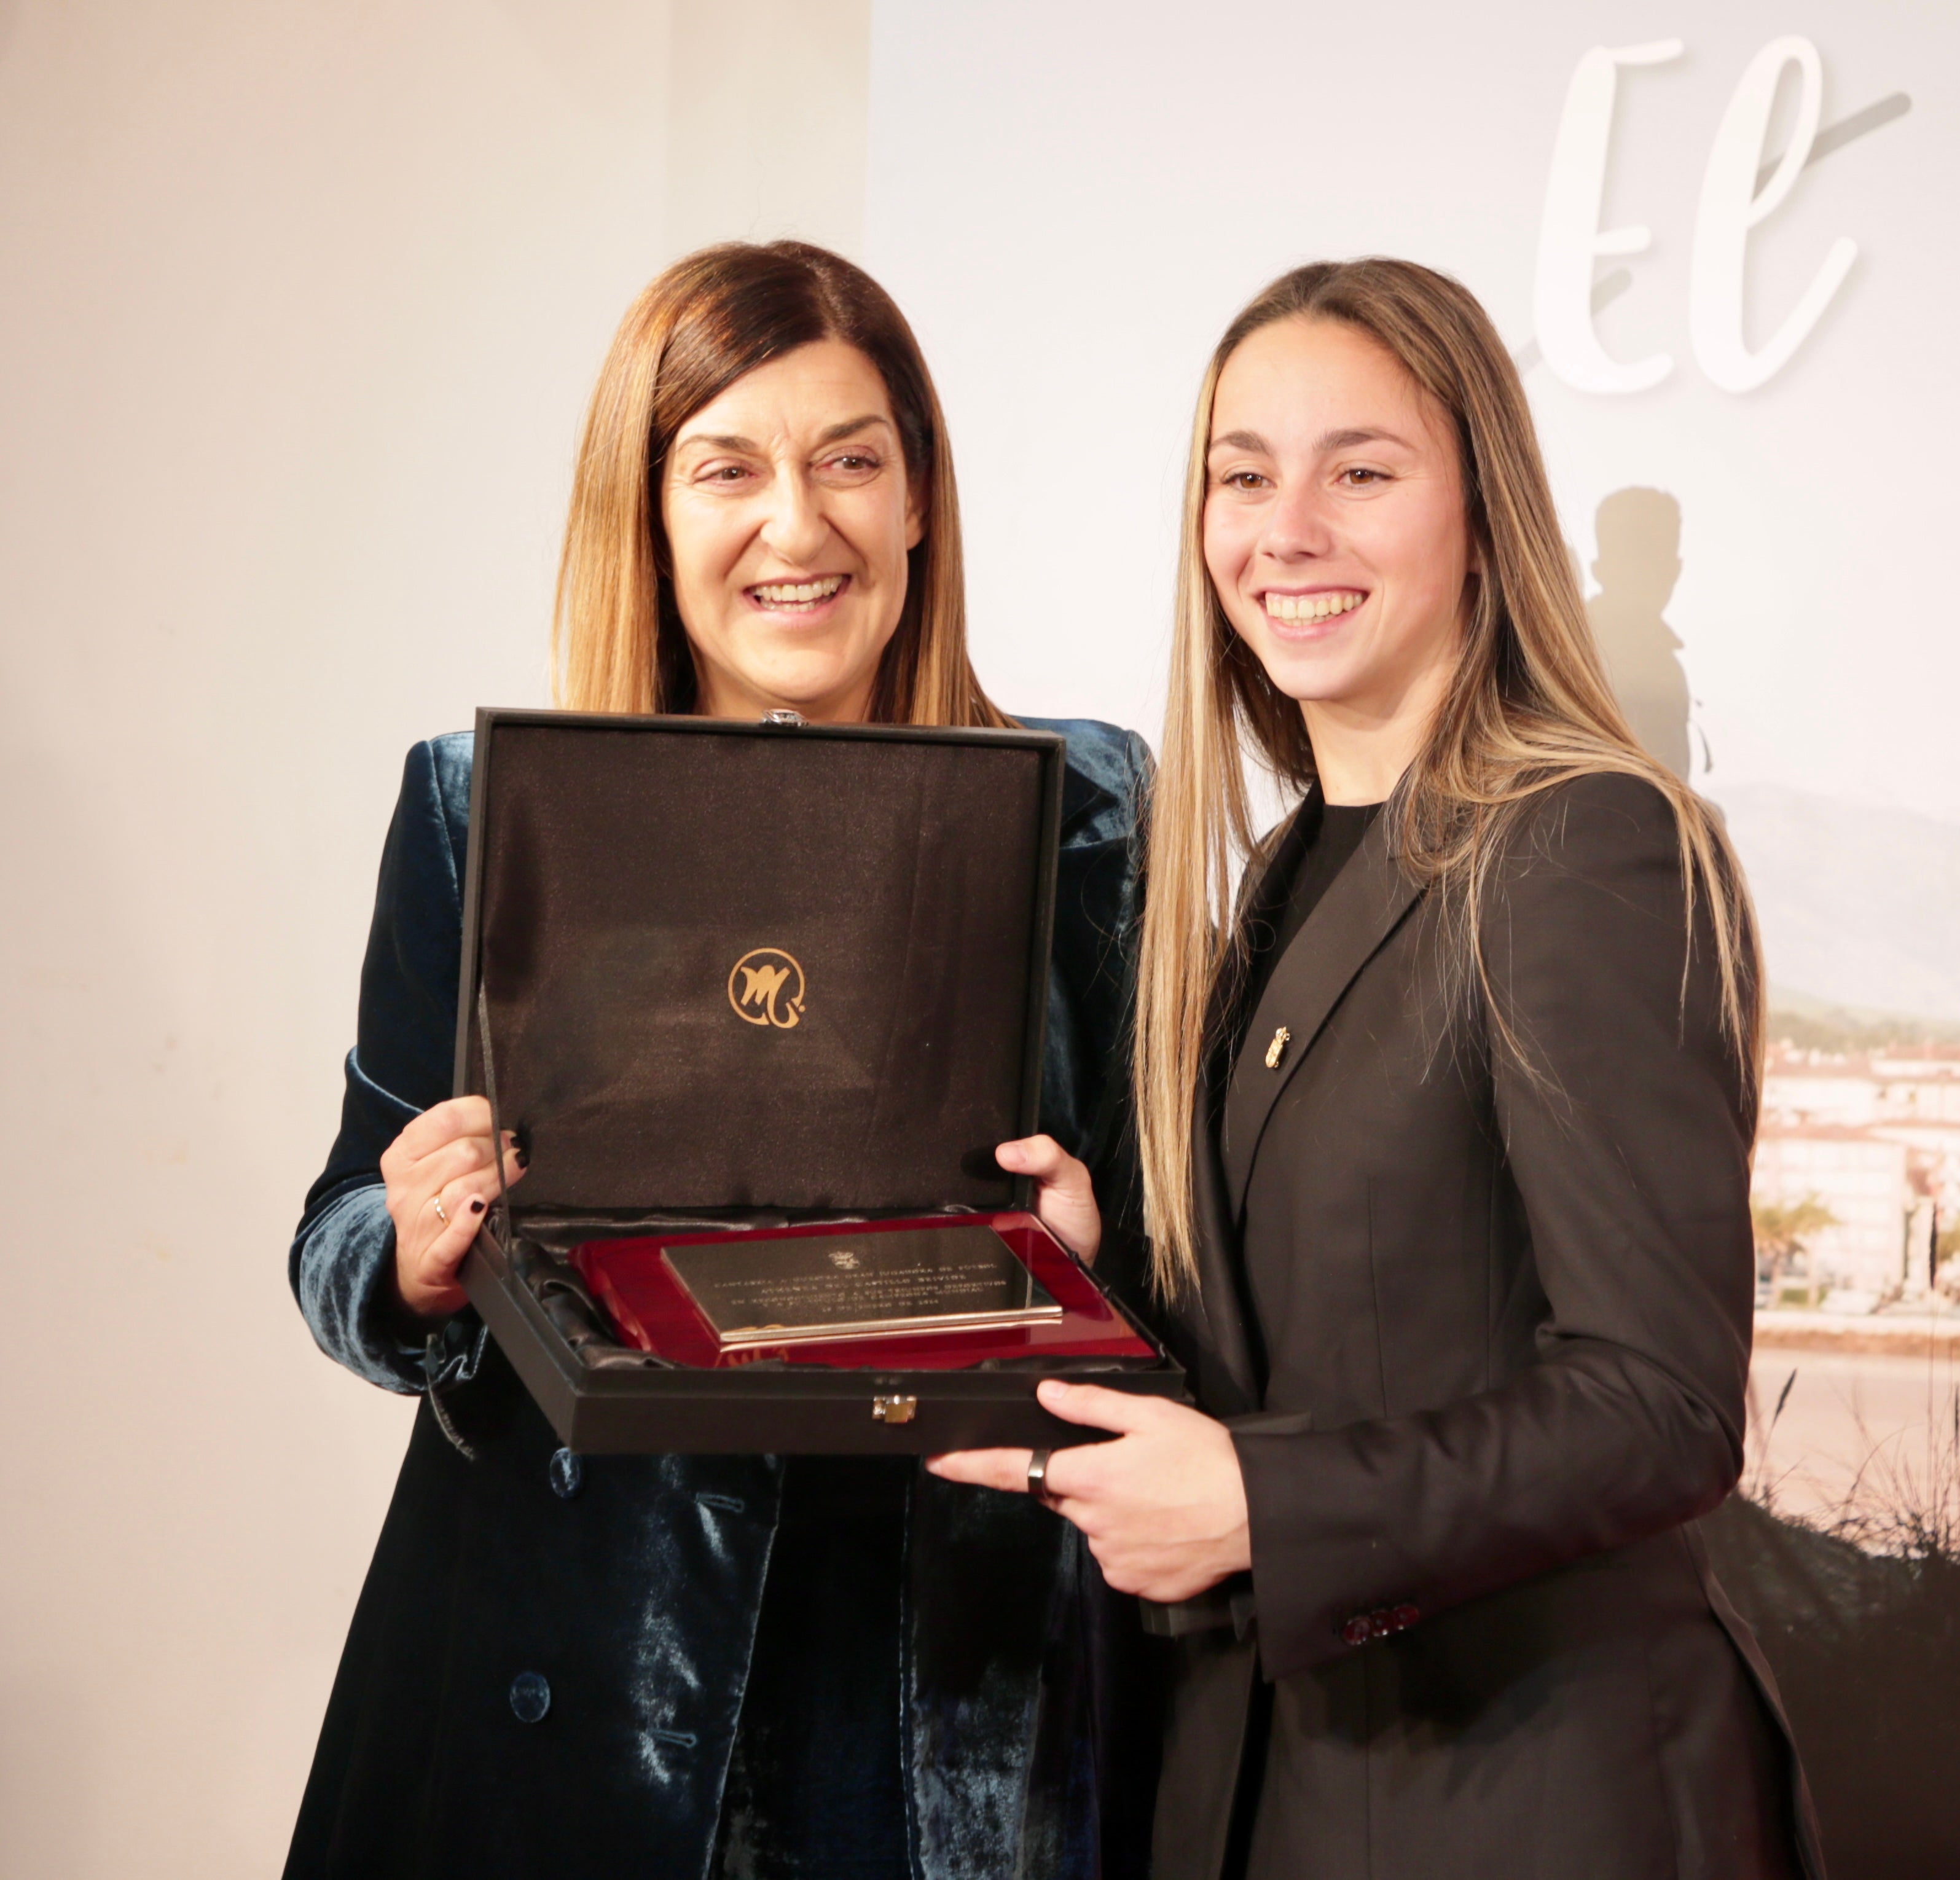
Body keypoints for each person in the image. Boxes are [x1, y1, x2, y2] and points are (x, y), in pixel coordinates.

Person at [932, 258, 1822, 1879]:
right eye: (1244, 474)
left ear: (1483, 514)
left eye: (1361, 470)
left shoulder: (1583, 845)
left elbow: (1660, 1403)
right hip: (1289, 1794)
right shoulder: (1280, 877)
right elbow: (1326, 1342)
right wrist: (1099, 1285)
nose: (1290, 527)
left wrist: (1268, 1510)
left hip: (1532, 1805)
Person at [285, 241, 1151, 1880]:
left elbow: (1191, 1255)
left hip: (939, 1666)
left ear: (918, 500)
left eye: (849, 461)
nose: (797, 523)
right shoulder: (484, 813)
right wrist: (406, 1253)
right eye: (728, 468)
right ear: (654, 513)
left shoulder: (1095, 819)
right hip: (596, 1658)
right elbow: (340, 1232)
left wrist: (1101, 1260)